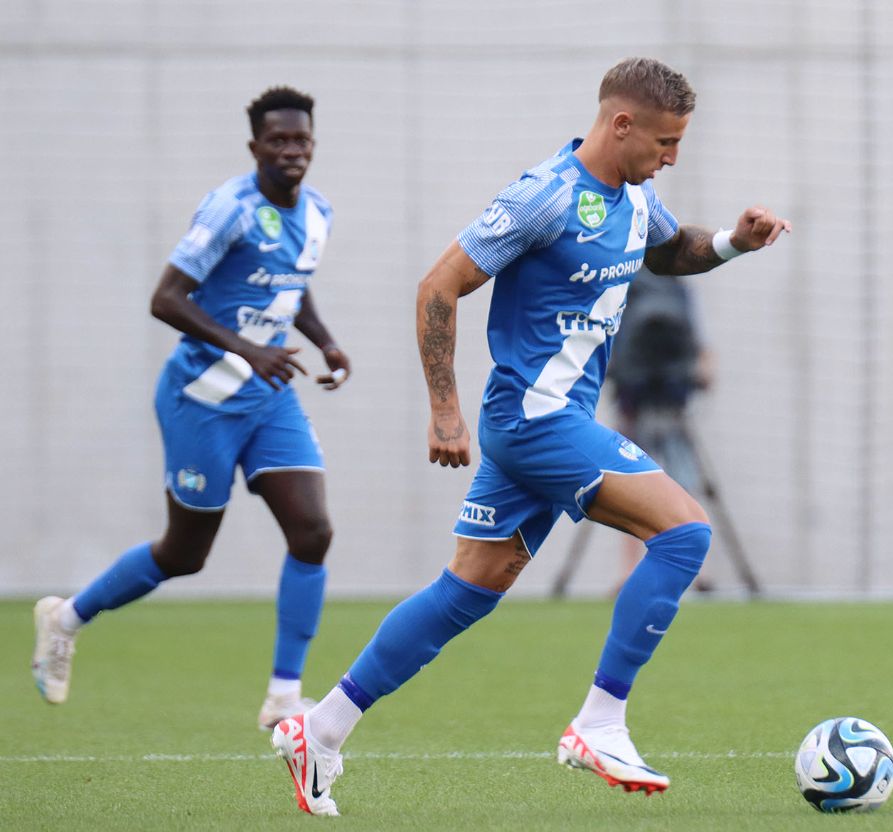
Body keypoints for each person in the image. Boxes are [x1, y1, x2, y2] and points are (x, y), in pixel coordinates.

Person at [270, 57, 790, 816]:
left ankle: (320, 729)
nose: (673, 157)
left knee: (465, 592)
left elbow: (668, 250)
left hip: (554, 424)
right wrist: (444, 410)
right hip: (533, 421)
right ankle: (600, 722)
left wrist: (734, 243)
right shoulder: (543, 197)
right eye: (665, 142)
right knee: (684, 534)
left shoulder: (636, 197)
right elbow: (439, 285)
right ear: (621, 125)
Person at [30, 86, 351, 730]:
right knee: (185, 554)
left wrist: (326, 342)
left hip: (269, 396)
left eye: (302, 140)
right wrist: (248, 350)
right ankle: (66, 618)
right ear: (255, 147)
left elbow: (292, 284)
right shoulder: (230, 208)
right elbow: (166, 299)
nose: (292, 151)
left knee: (313, 532)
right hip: (201, 398)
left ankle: (284, 696)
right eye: (279, 141)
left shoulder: (318, 210)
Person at [607, 269, 715, 593]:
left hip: (636, 397)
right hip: (670, 398)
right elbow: (700, 345)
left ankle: (630, 571)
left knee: (628, 484)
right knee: (683, 483)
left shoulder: (623, 284)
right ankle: (698, 571)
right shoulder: (678, 287)